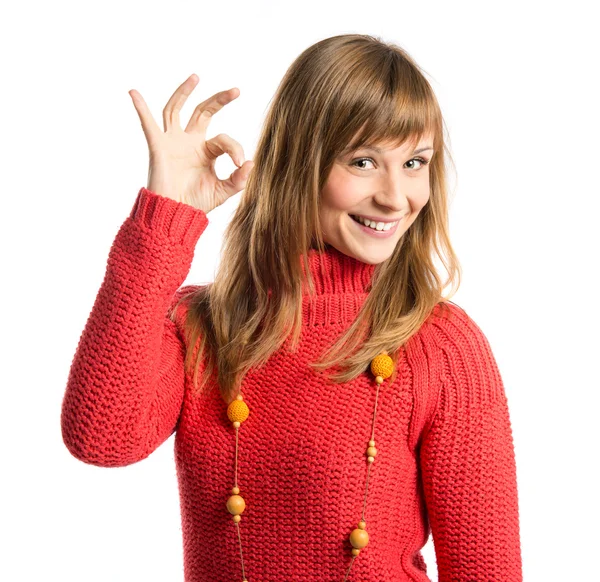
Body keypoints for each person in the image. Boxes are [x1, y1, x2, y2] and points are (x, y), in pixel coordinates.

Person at [60, 34, 523, 582]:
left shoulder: (440, 345)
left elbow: (486, 571)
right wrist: (164, 219)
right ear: (296, 164)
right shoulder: (203, 327)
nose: (397, 197)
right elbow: (101, 438)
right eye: (364, 161)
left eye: (415, 162)